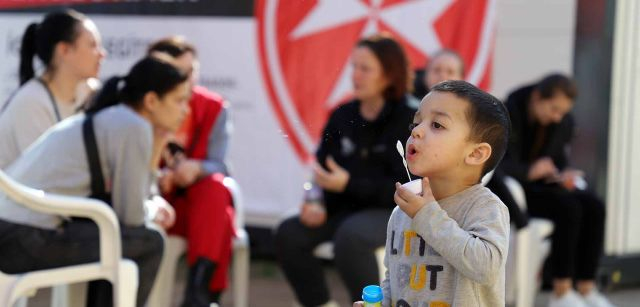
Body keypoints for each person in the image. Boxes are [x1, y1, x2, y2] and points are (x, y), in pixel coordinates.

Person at [0, 55, 189, 307]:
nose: (185, 110)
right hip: (23, 239)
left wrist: (155, 154)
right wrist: (154, 208)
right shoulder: (133, 126)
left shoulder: (114, 117)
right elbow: (132, 217)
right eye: (179, 100)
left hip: (13, 231)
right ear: (151, 101)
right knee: (149, 242)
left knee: (119, 240)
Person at [275, 33, 416, 306]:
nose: (355, 75)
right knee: (288, 232)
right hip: (341, 209)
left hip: (391, 211)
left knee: (351, 236)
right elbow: (320, 167)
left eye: (365, 68)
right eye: (353, 67)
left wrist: (349, 184)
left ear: (388, 75)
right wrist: (314, 201)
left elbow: (407, 184)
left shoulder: (408, 117)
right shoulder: (343, 114)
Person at [353, 80, 511, 307]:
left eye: (437, 125)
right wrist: (383, 302)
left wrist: (427, 216)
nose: (416, 131)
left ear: (476, 154)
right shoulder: (403, 212)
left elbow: (485, 267)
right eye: (415, 124)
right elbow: (395, 278)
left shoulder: (484, 208)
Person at [500, 74, 614, 307]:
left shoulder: (561, 122)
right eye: (553, 109)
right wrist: (529, 171)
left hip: (546, 187)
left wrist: (564, 175)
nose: (557, 116)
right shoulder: (506, 115)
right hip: (515, 193)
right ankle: (561, 291)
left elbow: (556, 162)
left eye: (562, 112)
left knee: (594, 205)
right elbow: (496, 165)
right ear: (537, 97)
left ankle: (586, 287)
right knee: (569, 208)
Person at [147, 36, 235, 307]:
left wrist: (196, 168)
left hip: (194, 209)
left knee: (215, 188)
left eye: (191, 72)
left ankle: (199, 293)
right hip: (147, 207)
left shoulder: (213, 107)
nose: (187, 81)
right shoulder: (139, 107)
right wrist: (154, 178)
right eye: (178, 74)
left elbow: (220, 164)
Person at [0, 9, 105, 169]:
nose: (101, 54)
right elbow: (43, 177)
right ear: (64, 50)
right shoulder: (31, 102)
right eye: (92, 45)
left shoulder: (91, 93)